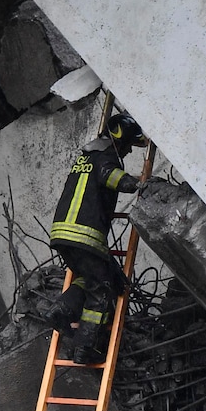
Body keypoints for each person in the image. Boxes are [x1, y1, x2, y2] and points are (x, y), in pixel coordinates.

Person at [45, 112, 148, 364]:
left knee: (91, 278)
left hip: (63, 234)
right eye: (128, 145)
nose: (129, 152)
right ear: (119, 139)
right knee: (102, 290)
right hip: (85, 235)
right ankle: (85, 348)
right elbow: (112, 178)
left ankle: (62, 309)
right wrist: (140, 184)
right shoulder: (107, 157)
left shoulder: (86, 157)